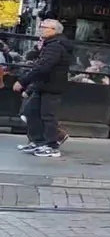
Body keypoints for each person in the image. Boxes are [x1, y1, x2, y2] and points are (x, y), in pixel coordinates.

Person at [15, 20, 73, 158]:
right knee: (31, 112)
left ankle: (52, 145)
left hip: (51, 86)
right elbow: (38, 63)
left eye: (43, 27)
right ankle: (38, 141)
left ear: (54, 30)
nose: (40, 29)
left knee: (47, 116)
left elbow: (43, 66)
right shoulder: (49, 44)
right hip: (42, 85)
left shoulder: (56, 46)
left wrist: (23, 81)